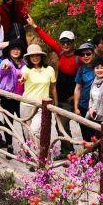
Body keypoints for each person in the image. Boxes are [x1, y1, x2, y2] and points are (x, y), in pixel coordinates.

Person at [26, 18, 79, 153]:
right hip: (59, 96)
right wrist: (35, 26)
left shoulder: (79, 58)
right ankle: (67, 150)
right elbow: (48, 40)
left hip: (70, 98)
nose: (65, 44)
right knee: (59, 124)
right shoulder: (61, 53)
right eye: (63, 42)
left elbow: (84, 78)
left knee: (64, 123)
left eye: (68, 42)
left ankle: (71, 151)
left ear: (73, 43)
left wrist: (76, 95)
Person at [18, 43, 58, 141]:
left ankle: (42, 153)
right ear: (28, 58)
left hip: (41, 105)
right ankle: (31, 155)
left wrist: (56, 105)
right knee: (27, 133)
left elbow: (53, 88)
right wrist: (22, 79)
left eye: (37, 55)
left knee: (35, 130)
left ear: (41, 56)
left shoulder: (49, 69)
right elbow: (24, 75)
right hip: (27, 104)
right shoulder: (26, 69)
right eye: (32, 56)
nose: (35, 58)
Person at [0, 39, 26, 153]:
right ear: (9, 51)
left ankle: (27, 147)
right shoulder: (5, 62)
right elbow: (4, 69)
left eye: (18, 49)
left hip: (20, 98)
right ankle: (9, 145)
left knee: (24, 122)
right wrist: (6, 68)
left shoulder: (24, 64)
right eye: (13, 48)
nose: (15, 51)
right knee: (8, 122)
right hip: (7, 97)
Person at [72, 42, 97, 143]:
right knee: (86, 134)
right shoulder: (81, 69)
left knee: (97, 134)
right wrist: (76, 107)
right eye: (82, 54)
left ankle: (101, 157)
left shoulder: (101, 66)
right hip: (84, 106)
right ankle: (88, 157)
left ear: (94, 54)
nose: (85, 56)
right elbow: (77, 88)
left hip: (98, 107)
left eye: (88, 54)